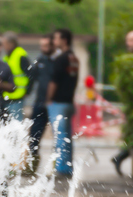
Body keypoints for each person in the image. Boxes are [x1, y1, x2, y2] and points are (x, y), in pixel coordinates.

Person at [111, 30, 133, 176]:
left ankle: (120, 156)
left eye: (131, 40)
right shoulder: (127, 61)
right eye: (127, 40)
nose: (128, 44)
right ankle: (120, 156)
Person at [47, 28, 79, 178]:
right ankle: (67, 167)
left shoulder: (61, 59)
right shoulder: (73, 58)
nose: (54, 41)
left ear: (64, 40)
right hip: (69, 102)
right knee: (66, 137)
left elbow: (54, 81)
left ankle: (61, 169)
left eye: (56, 38)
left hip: (58, 103)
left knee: (60, 138)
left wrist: (48, 98)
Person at [27, 33, 55, 175]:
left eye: (46, 45)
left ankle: (55, 167)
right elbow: (31, 79)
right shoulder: (39, 61)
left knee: (58, 138)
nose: (43, 48)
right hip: (40, 103)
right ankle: (31, 166)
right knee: (34, 136)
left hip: (54, 104)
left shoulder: (57, 61)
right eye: (41, 46)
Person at [2, 32, 32, 122]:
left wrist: (28, 91)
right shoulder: (7, 57)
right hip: (7, 94)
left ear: (11, 43)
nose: (3, 46)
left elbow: (30, 74)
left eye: (5, 44)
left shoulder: (20, 55)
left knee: (16, 122)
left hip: (18, 94)